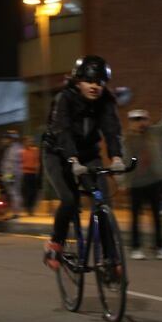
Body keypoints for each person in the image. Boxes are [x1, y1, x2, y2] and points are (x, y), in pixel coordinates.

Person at [41, 55, 125, 270]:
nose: (95, 86)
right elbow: (63, 130)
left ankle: (110, 259)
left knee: (102, 203)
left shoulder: (106, 101)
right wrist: (72, 159)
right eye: (90, 81)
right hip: (58, 154)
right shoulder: (65, 99)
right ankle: (55, 243)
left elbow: (111, 129)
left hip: (88, 155)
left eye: (100, 82)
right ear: (78, 81)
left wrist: (116, 157)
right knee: (69, 200)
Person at [123, 109, 162, 260]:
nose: (140, 122)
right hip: (136, 183)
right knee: (136, 217)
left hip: (154, 181)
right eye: (136, 120)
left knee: (157, 217)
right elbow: (124, 161)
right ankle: (136, 247)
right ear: (130, 123)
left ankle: (160, 247)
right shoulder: (127, 139)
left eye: (143, 119)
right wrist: (123, 182)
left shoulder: (152, 133)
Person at [0, 130, 23, 218]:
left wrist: (8, 176)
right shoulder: (11, 148)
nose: (3, 141)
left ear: (11, 139)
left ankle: (16, 213)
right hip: (12, 174)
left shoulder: (15, 149)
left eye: (5, 139)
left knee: (14, 193)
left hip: (12, 174)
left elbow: (11, 165)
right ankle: (15, 212)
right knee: (14, 193)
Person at [21, 135, 41, 216]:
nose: (30, 142)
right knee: (27, 192)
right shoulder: (22, 152)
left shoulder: (35, 150)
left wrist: (37, 170)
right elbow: (20, 163)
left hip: (33, 174)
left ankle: (31, 208)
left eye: (31, 141)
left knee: (34, 192)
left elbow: (38, 162)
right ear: (25, 142)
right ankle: (28, 208)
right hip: (26, 174)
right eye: (28, 141)